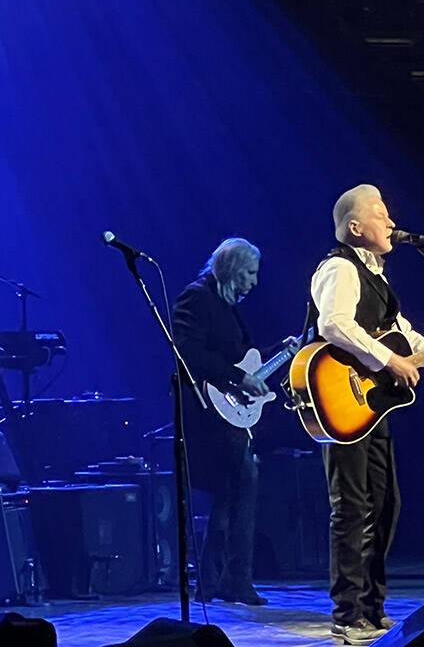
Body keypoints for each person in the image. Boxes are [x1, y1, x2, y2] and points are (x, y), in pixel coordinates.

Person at [311, 184, 424, 646]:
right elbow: (333, 324)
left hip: (371, 407)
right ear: (355, 227)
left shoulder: (380, 281)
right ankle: (347, 613)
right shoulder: (339, 268)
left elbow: (407, 341)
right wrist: (389, 362)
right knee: (350, 508)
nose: (391, 222)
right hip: (340, 401)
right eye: (381, 214)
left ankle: (372, 607)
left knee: (386, 504)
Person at [172, 237, 270, 606]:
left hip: (229, 411)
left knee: (233, 491)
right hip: (205, 410)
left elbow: (241, 360)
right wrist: (235, 377)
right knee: (241, 481)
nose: (254, 281)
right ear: (230, 269)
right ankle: (231, 581)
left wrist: (279, 354)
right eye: (249, 272)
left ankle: (218, 581)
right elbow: (187, 349)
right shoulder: (197, 297)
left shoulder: (228, 306)